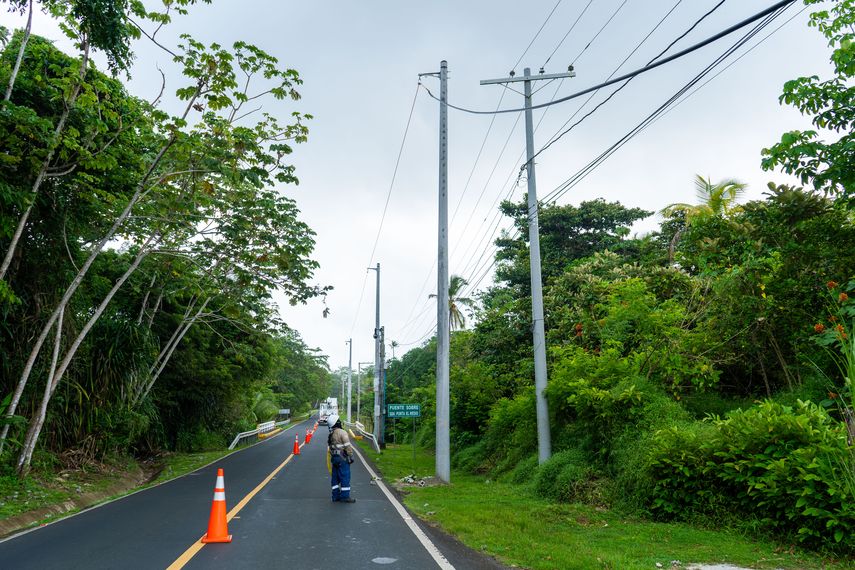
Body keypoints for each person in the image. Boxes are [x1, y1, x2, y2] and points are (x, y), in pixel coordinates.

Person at [327, 415, 356, 503]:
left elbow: (330, 448)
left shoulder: (331, 434)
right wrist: (351, 455)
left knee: (335, 477)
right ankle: (345, 496)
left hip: (335, 458)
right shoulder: (342, 432)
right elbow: (347, 445)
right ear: (337, 422)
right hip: (342, 458)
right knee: (345, 476)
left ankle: (335, 496)